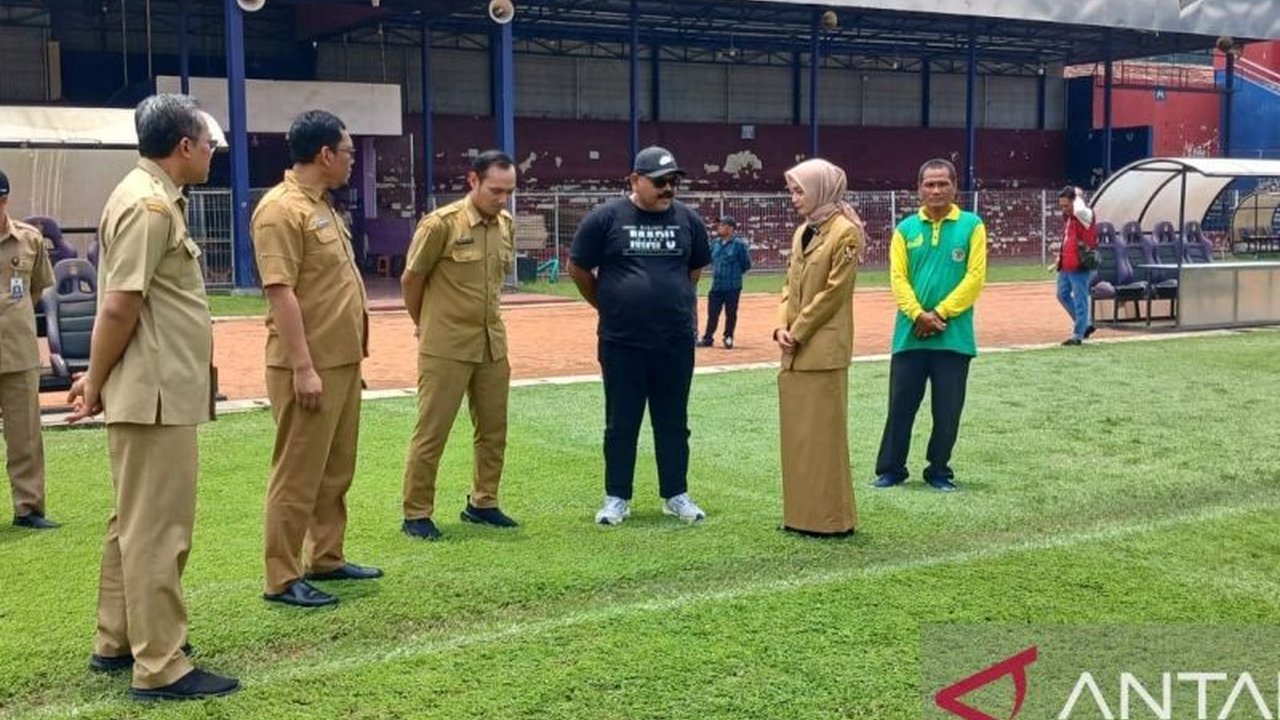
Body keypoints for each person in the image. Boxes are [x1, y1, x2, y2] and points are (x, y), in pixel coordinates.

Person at [68, 93, 238, 700]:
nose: (214, 150)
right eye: (208, 141)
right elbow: (119, 303)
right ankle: (160, 664)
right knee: (158, 531)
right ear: (184, 146)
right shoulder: (149, 205)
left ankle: (117, 639)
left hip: (152, 388)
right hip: (156, 392)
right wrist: (94, 375)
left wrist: (97, 375)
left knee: (132, 524)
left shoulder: (147, 197)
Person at [252, 110, 380, 608]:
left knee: (334, 468)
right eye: (347, 151)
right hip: (307, 366)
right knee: (298, 472)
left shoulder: (323, 206)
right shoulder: (281, 210)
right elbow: (281, 293)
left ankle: (326, 555)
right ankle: (281, 577)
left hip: (341, 361)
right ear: (325, 154)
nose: (351, 159)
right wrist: (303, 367)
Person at [568, 146, 712, 526]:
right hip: (622, 342)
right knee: (621, 422)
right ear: (634, 180)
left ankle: (676, 495)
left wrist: (670, 302)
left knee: (673, 421)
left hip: (675, 341)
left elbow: (694, 271)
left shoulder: (689, 220)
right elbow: (578, 268)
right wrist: (609, 304)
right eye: (660, 182)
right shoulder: (605, 218)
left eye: (673, 182)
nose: (669, 189)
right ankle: (617, 497)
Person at [400, 150, 520, 540]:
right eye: (495, 190)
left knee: (493, 429)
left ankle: (483, 502)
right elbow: (411, 280)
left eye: (508, 192)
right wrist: (425, 324)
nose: (501, 199)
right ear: (473, 181)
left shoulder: (506, 225)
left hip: (491, 344)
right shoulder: (440, 225)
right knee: (432, 431)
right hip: (445, 345)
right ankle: (416, 512)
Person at [872, 158, 987, 493]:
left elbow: (975, 277)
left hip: (954, 337)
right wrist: (917, 315)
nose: (936, 190)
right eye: (929, 184)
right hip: (910, 335)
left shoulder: (972, 225)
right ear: (919, 188)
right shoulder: (905, 229)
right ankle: (891, 469)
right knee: (900, 405)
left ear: (954, 187)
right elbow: (897, 278)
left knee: (947, 410)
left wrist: (939, 313)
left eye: (943, 183)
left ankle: (939, 470)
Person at [774, 160, 863, 537]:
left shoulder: (846, 233)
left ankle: (830, 519)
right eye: (792, 191)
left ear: (821, 189)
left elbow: (834, 292)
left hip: (822, 349)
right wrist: (781, 324)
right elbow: (787, 284)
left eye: (799, 191)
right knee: (799, 438)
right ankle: (800, 515)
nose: (794, 198)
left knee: (823, 439)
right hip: (794, 346)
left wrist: (799, 329)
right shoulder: (803, 233)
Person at [0, 170, 57, 530]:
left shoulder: (30, 240)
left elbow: (37, 290)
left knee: (25, 435)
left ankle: (29, 508)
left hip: (17, 353)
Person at [699, 215, 752, 349]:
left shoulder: (738, 244)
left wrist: (734, 274)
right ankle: (708, 337)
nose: (719, 227)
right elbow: (709, 258)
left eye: (722, 225)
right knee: (713, 313)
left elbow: (746, 264)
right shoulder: (715, 243)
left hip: (732, 286)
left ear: (730, 228)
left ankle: (728, 337)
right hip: (717, 285)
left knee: (731, 313)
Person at [1055, 185, 1098, 346]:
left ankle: (1078, 335)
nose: (1063, 209)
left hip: (1080, 264)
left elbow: (1079, 210)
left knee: (1081, 300)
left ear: (1076, 202)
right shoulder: (1070, 218)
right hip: (1066, 263)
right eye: (1061, 206)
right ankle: (1085, 324)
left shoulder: (1085, 214)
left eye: (1066, 205)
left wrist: (1077, 194)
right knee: (1062, 294)